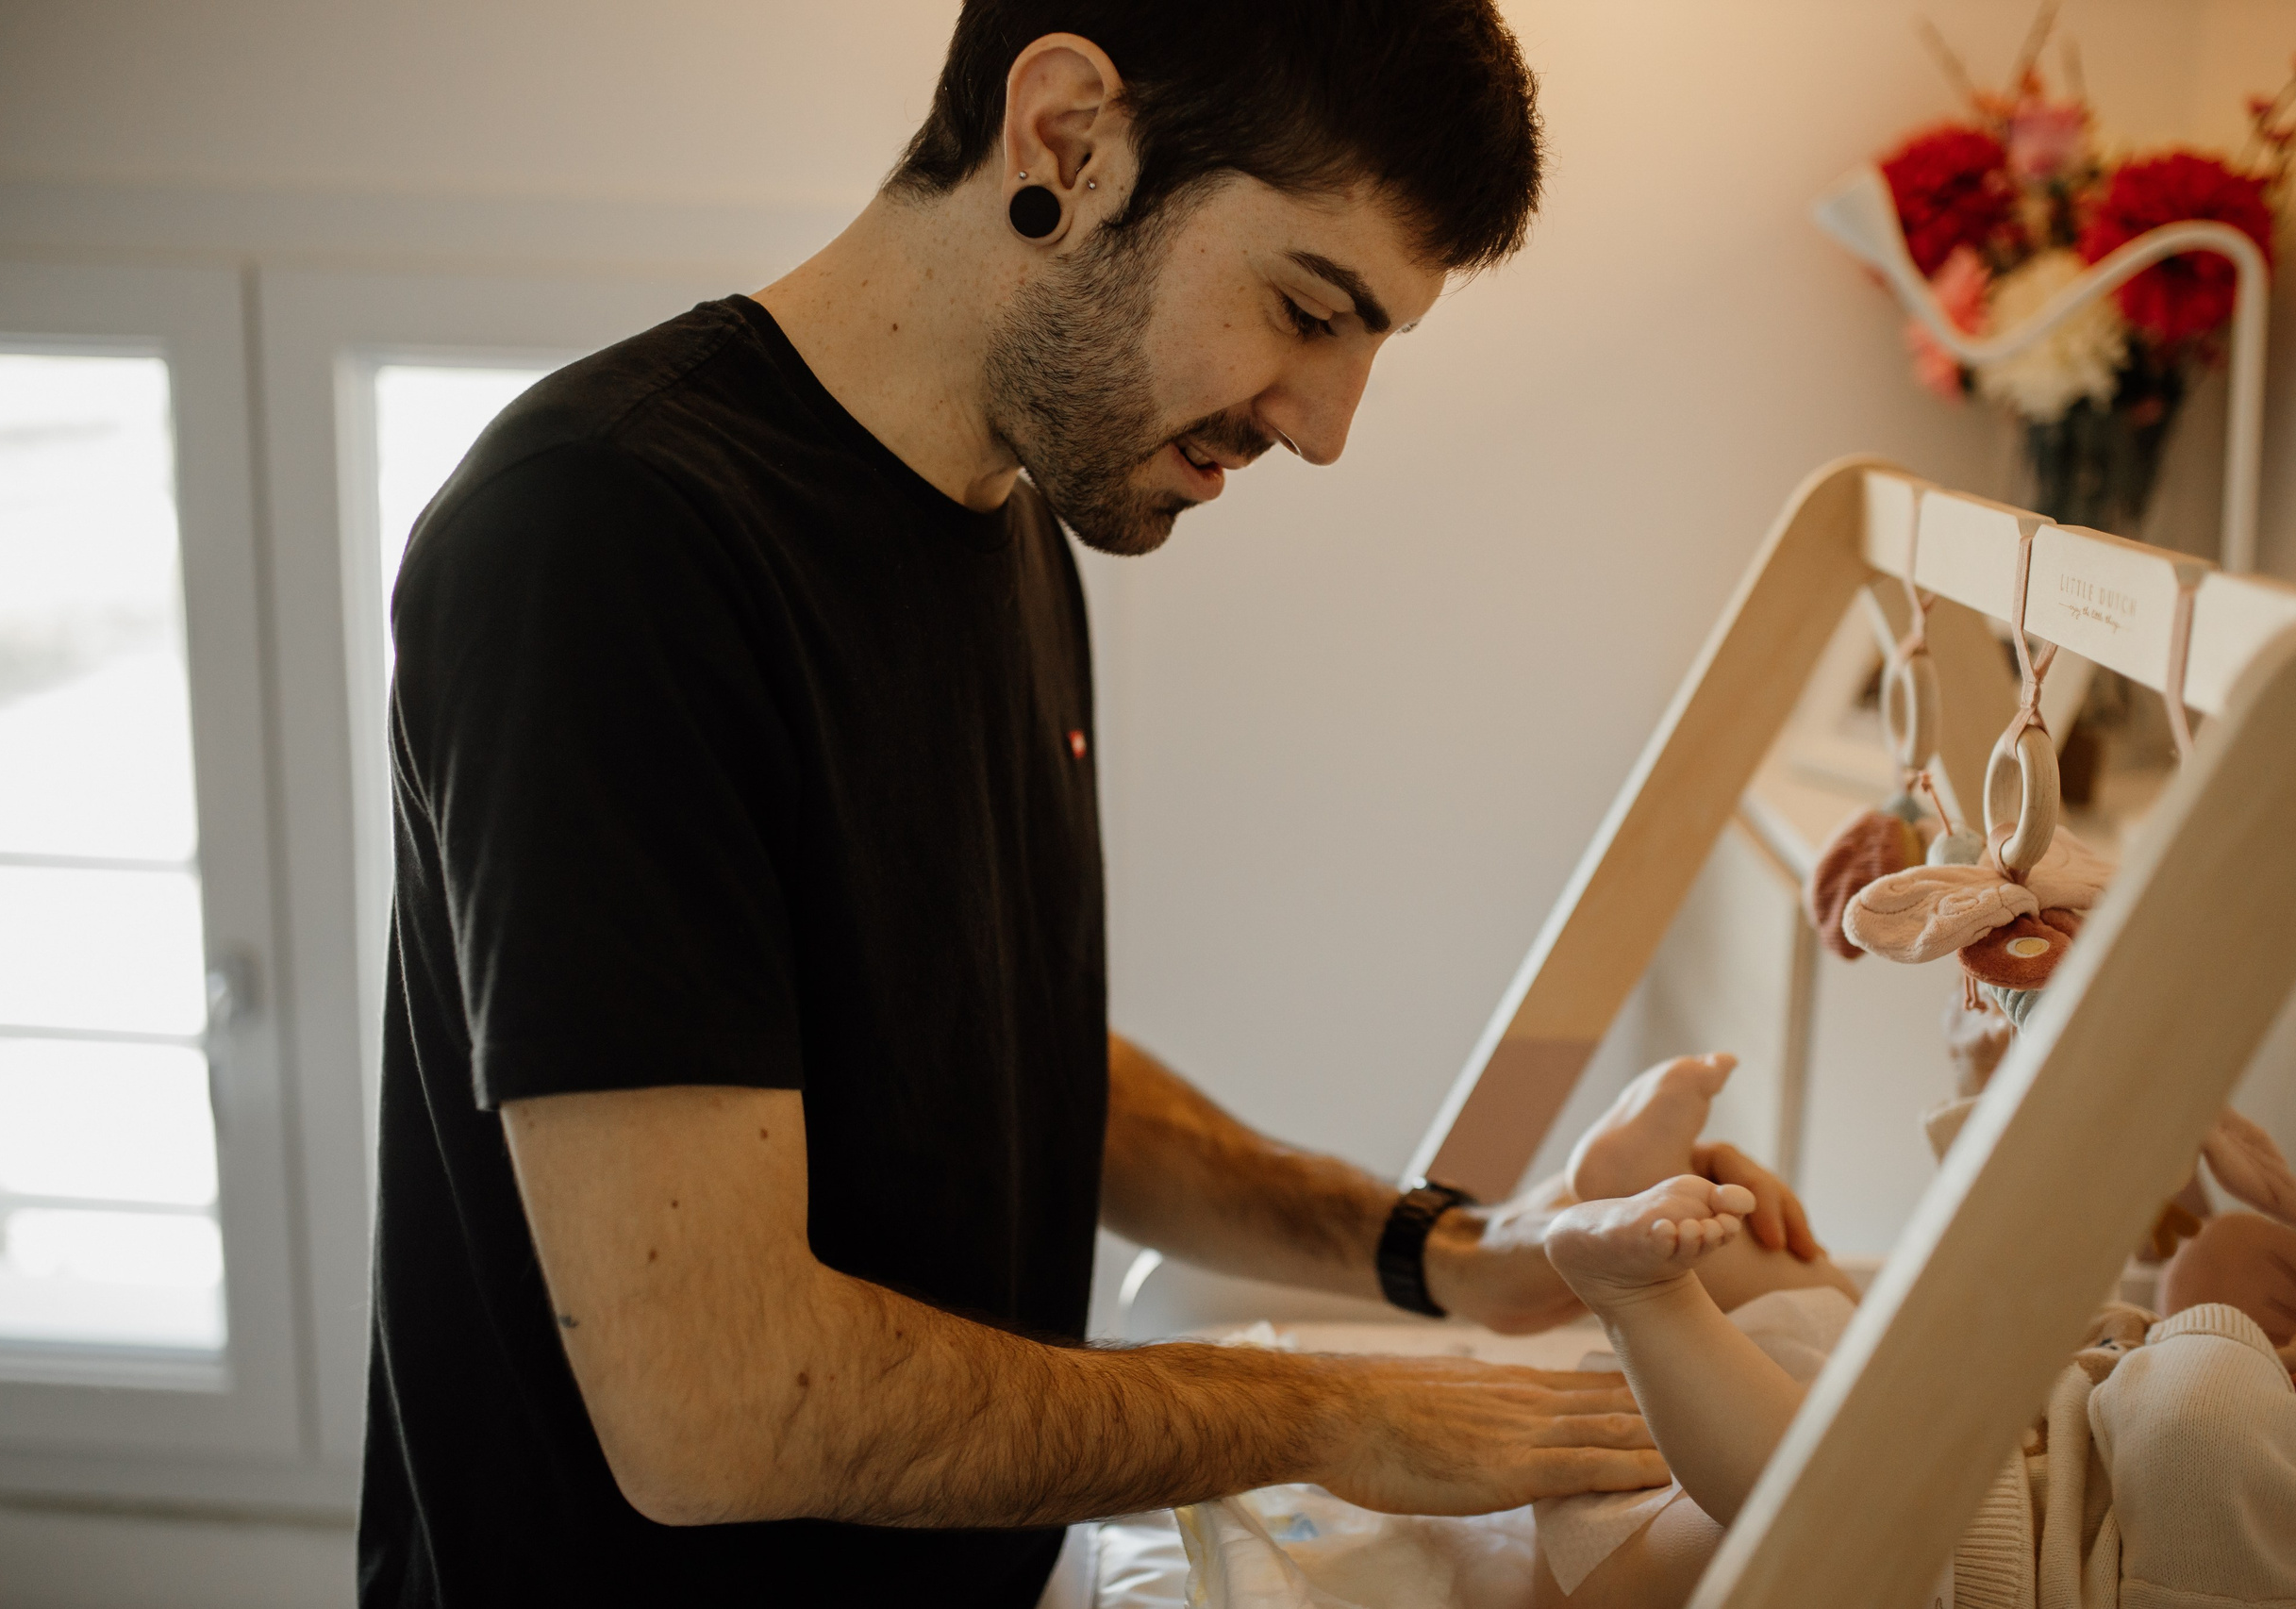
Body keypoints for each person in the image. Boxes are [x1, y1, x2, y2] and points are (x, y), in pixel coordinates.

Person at [360, 5, 1704, 1605]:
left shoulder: (1016, 530)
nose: (1326, 428)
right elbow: (712, 1408)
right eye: (1305, 308)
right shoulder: (603, 538)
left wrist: (1455, 1255)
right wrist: (1322, 1408)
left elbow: (1005, 1059)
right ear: (1068, 137)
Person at [1542, 1061, 2296, 1609]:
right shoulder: (2240, 1483)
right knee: (1826, 1306)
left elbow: (2198, 1419)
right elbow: (2060, 1330)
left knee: (1828, 1500)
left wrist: (2230, 1342)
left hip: (1898, 1568)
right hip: (1918, 1452)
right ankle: (1632, 1187)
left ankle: (1641, 1298)